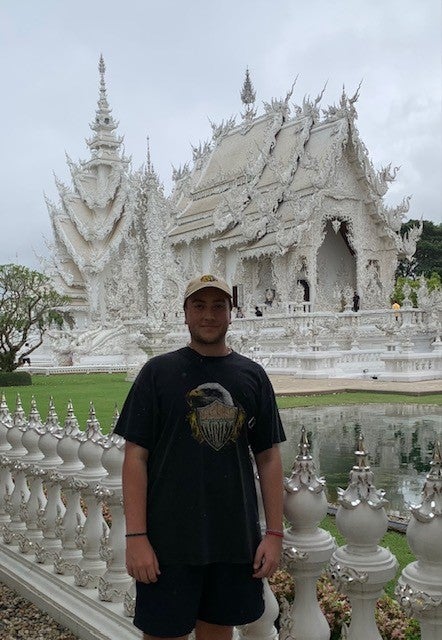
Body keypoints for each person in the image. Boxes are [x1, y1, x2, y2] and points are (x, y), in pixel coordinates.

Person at [114, 274, 286, 640]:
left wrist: (274, 533)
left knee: (219, 632)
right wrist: (136, 537)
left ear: (230, 314)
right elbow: (135, 458)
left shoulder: (252, 376)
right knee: (163, 634)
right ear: (185, 313)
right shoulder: (157, 373)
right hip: (167, 541)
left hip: (233, 539)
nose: (209, 315)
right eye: (199, 306)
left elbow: (269, 457)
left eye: (218, 306)